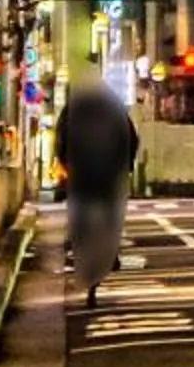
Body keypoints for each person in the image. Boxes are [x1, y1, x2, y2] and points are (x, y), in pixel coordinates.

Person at [57, 80, 139, 307]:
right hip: (109, 174)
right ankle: (112, 253)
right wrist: (126, 166)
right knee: (112, 215)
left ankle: (77, 244)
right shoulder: (114, 110)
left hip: (81, 174)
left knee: (79, 215)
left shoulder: (71, 111)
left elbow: (61, 140)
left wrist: (65, 164)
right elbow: (131, 138)